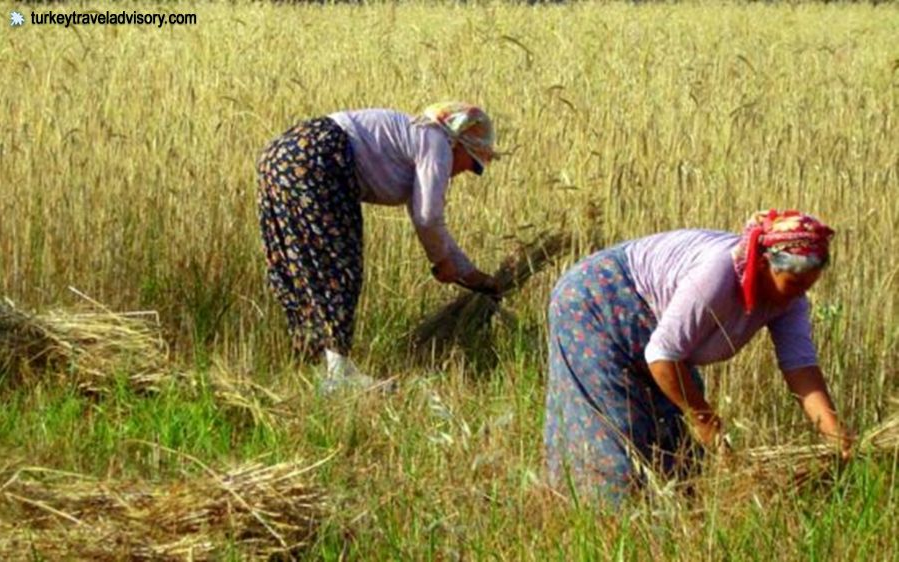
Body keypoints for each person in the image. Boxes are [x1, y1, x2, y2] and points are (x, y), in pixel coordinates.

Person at [543, 209, 854, 503]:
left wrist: (835, 436)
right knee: (616, 437)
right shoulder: (719, 274)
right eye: (795, 283)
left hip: (652, 327)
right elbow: (663, 355)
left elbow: (800, 367)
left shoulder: (790, 299)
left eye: (807, 286)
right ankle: (602, 520)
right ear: (763, 266)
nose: (799, 294)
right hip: (596, 299)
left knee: (679, 460)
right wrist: (705, 421)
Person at [256, 102, 500, 391]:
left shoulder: (417, 138)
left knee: (300, 262)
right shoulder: (437, 143)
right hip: (319, 155)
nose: (466, 172)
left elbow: (433, 225)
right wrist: (441, 263)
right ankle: (338, 372)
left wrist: (473, 276)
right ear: (460, 143)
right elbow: (428, 218)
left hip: (281, 154)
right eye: (473, 164)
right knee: (339, 263)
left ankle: (314, 362)